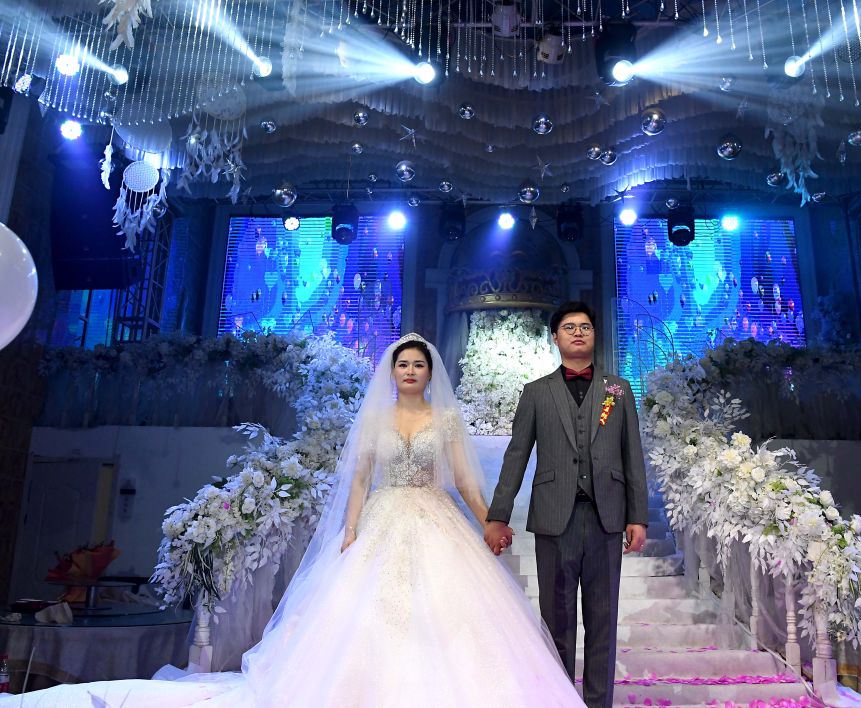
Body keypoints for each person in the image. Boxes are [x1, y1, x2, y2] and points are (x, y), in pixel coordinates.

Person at [2, 334, 583, 707]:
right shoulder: (375, 419)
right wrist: (350, 530)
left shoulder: (446, 421)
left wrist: (489, 522)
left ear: (431, 373)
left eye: (418, 365)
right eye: (402, 364)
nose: (410, 370)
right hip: (382, 517)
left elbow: (466, 484)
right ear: (392, 371)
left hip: (435, 518)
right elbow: (359, 481)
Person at [484, 301, 648, 708]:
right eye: (570, 327)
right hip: (555, 519)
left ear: (595, 335)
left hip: (606, 519)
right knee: (556, 622)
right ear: (555, 337)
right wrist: (498, 515)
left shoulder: (618, 390)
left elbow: (632, 456)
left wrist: (638, 517)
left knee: (602, 621)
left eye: (585, 326)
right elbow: (516, 457)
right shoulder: (536, 392)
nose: (578, 332)